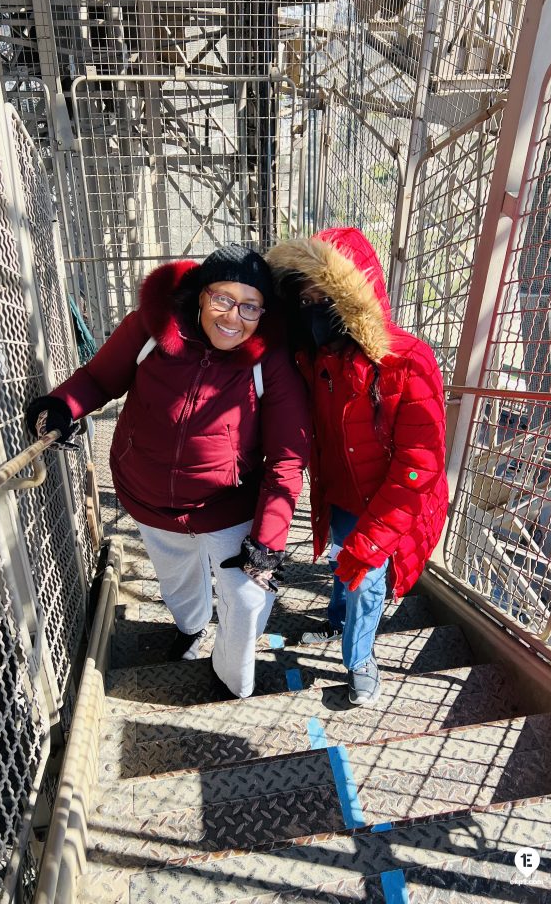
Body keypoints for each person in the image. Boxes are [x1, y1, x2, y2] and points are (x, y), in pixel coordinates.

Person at [25, 244, 310, 699]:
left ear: (263, 312)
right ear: (200, 295)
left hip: (228, 505)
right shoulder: (153, 329)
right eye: (222, 299)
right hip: (149, 495)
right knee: (178, 580)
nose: (233, 317)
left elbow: (287, 457)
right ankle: (191, 629)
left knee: (249, 595)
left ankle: (232, 679)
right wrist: (62, 405)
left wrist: (269, 542)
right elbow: (100, 378)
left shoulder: (269, 360)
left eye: (249, 306)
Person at [267, 227, 448, 707]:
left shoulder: (408, 362)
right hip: (342, 495)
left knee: (365, 577)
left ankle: (359, 658)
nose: (314, 308)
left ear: (355, 294)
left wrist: (372, 541)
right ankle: (335, 615)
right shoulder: (310, 359)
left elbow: (419, 465)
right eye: (303, 298)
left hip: (392, 501)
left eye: (325, 295)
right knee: (341, 564)